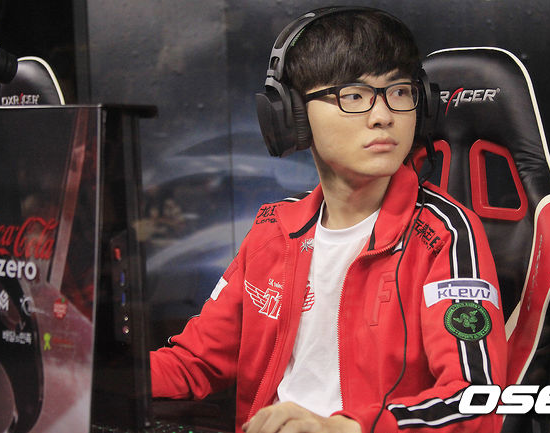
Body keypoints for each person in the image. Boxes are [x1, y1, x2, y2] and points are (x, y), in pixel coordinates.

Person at [151, 7, 507, 433]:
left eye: (399, 92)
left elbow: (475, 400)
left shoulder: (443, 235)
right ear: (293, 116)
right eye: (353, 96)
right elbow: (193, 363)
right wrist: (91, 372)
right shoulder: (273, 230)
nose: (383, 116)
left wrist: (343, 428)